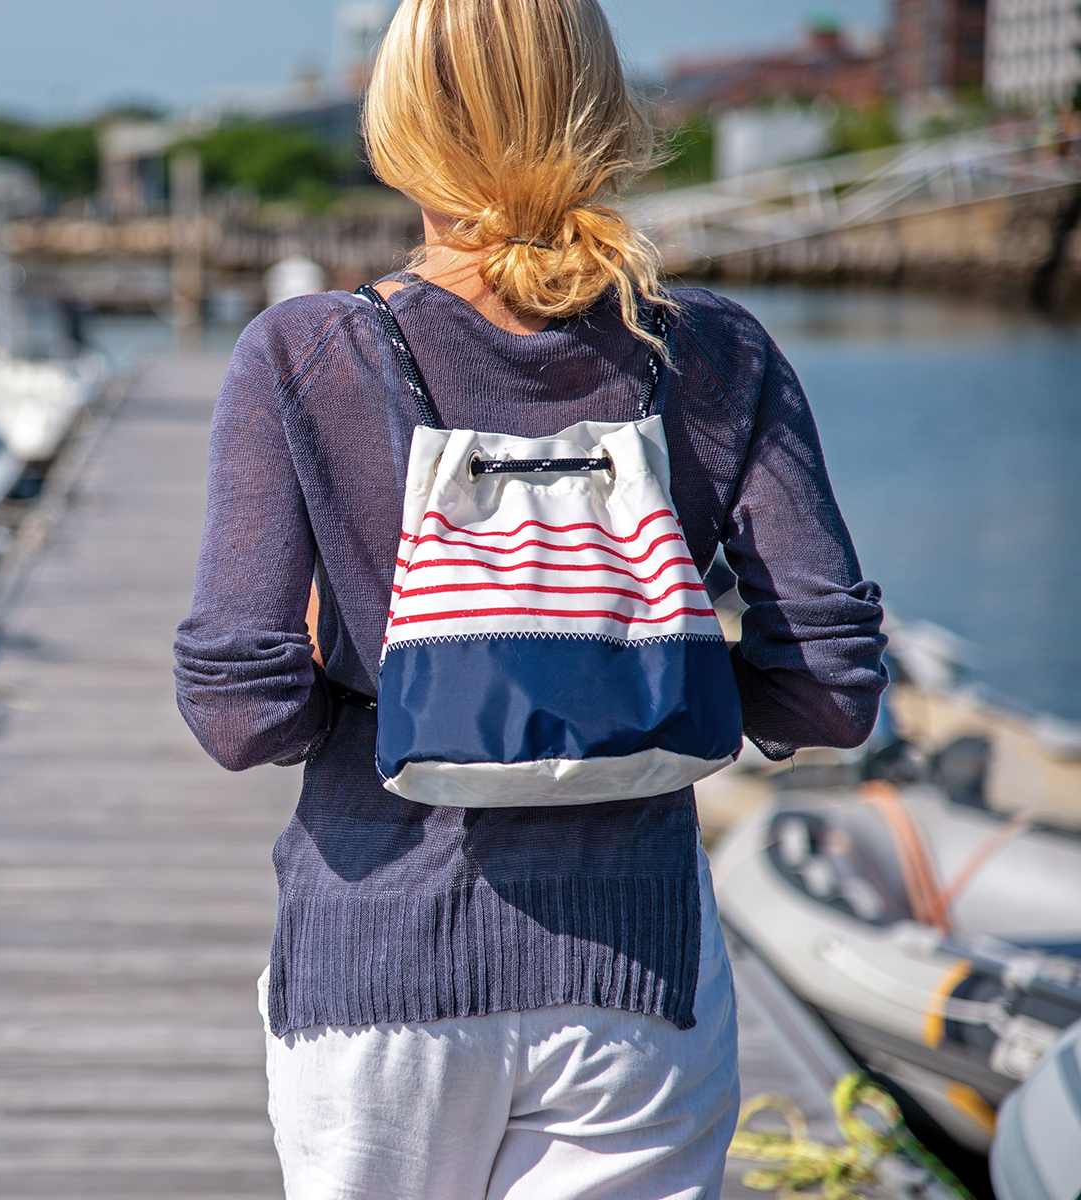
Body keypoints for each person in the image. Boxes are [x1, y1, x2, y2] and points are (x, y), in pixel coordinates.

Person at [173, 0, 887, 1195]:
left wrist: (378, 667)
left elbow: (239, 716)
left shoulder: (307, 353)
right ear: (603, 110)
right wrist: (634, 669)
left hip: (378, 973)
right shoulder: (712, 352)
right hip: (638, 981)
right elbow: (830, 698)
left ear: (398, 125)